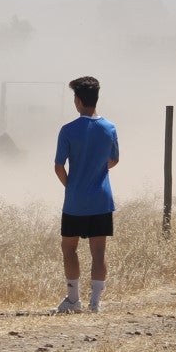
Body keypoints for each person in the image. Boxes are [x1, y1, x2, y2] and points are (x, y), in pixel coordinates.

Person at [53, 76, 119, 313]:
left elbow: (59, 166)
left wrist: (71, 185)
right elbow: (114, 160)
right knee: (98, 251)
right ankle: (95, 303)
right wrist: (96, 170)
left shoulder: (68, 130)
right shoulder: (110, 128)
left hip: (75, 200)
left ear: (78, 100)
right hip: (102, 197)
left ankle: (73, 299)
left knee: (69, 248)